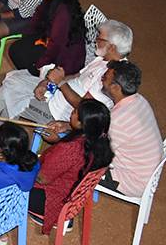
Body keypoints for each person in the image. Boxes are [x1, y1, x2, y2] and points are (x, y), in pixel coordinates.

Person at [0, 19, 132, 134]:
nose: (95, 41)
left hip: (60, 110)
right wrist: (47, 82)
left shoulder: (112, 77)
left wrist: (59, 83)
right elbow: (76, 76)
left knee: (15, 99)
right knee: (14, 78)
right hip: (56, 93)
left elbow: (85, 108)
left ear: (113, 47)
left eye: (100, 38)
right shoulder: (103, 59)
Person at [46, 60, 161, 198]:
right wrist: (68, 126)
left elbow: (90, 153)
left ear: (116, 88)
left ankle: (54, 202)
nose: (101, 79)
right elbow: (99, 131)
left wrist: (59, 140)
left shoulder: (118, 121)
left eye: (105, 78)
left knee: (70, 163)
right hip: (144, 171)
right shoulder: (138, 100)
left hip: (128, 180)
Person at [29, 100, 114, 233]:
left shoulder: (69, 148)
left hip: (50, 199)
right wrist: (58, 141)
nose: (71, 113)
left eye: (75, 112)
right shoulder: (98, 141)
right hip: (70, 194)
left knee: (4, 179)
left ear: (82, 123)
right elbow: (73, 162)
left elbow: (42, 178)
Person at [0, 0, 86, 76]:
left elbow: (57, 44)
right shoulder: (52, 0)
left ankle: (36, 77)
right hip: (48, 37)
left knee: (21, 55)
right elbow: (38, 18)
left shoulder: (63, 14)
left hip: (64, 55)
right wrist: (27, 36)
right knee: (16, 48)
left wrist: (41, 64)